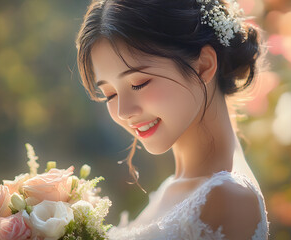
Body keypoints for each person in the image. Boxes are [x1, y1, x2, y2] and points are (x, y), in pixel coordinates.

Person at [75, 0, 270, 239]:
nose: (124, 111)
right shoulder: (174, 187)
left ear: (204, 65)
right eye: (110, 95)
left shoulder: (229, 197)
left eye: (139, 83)